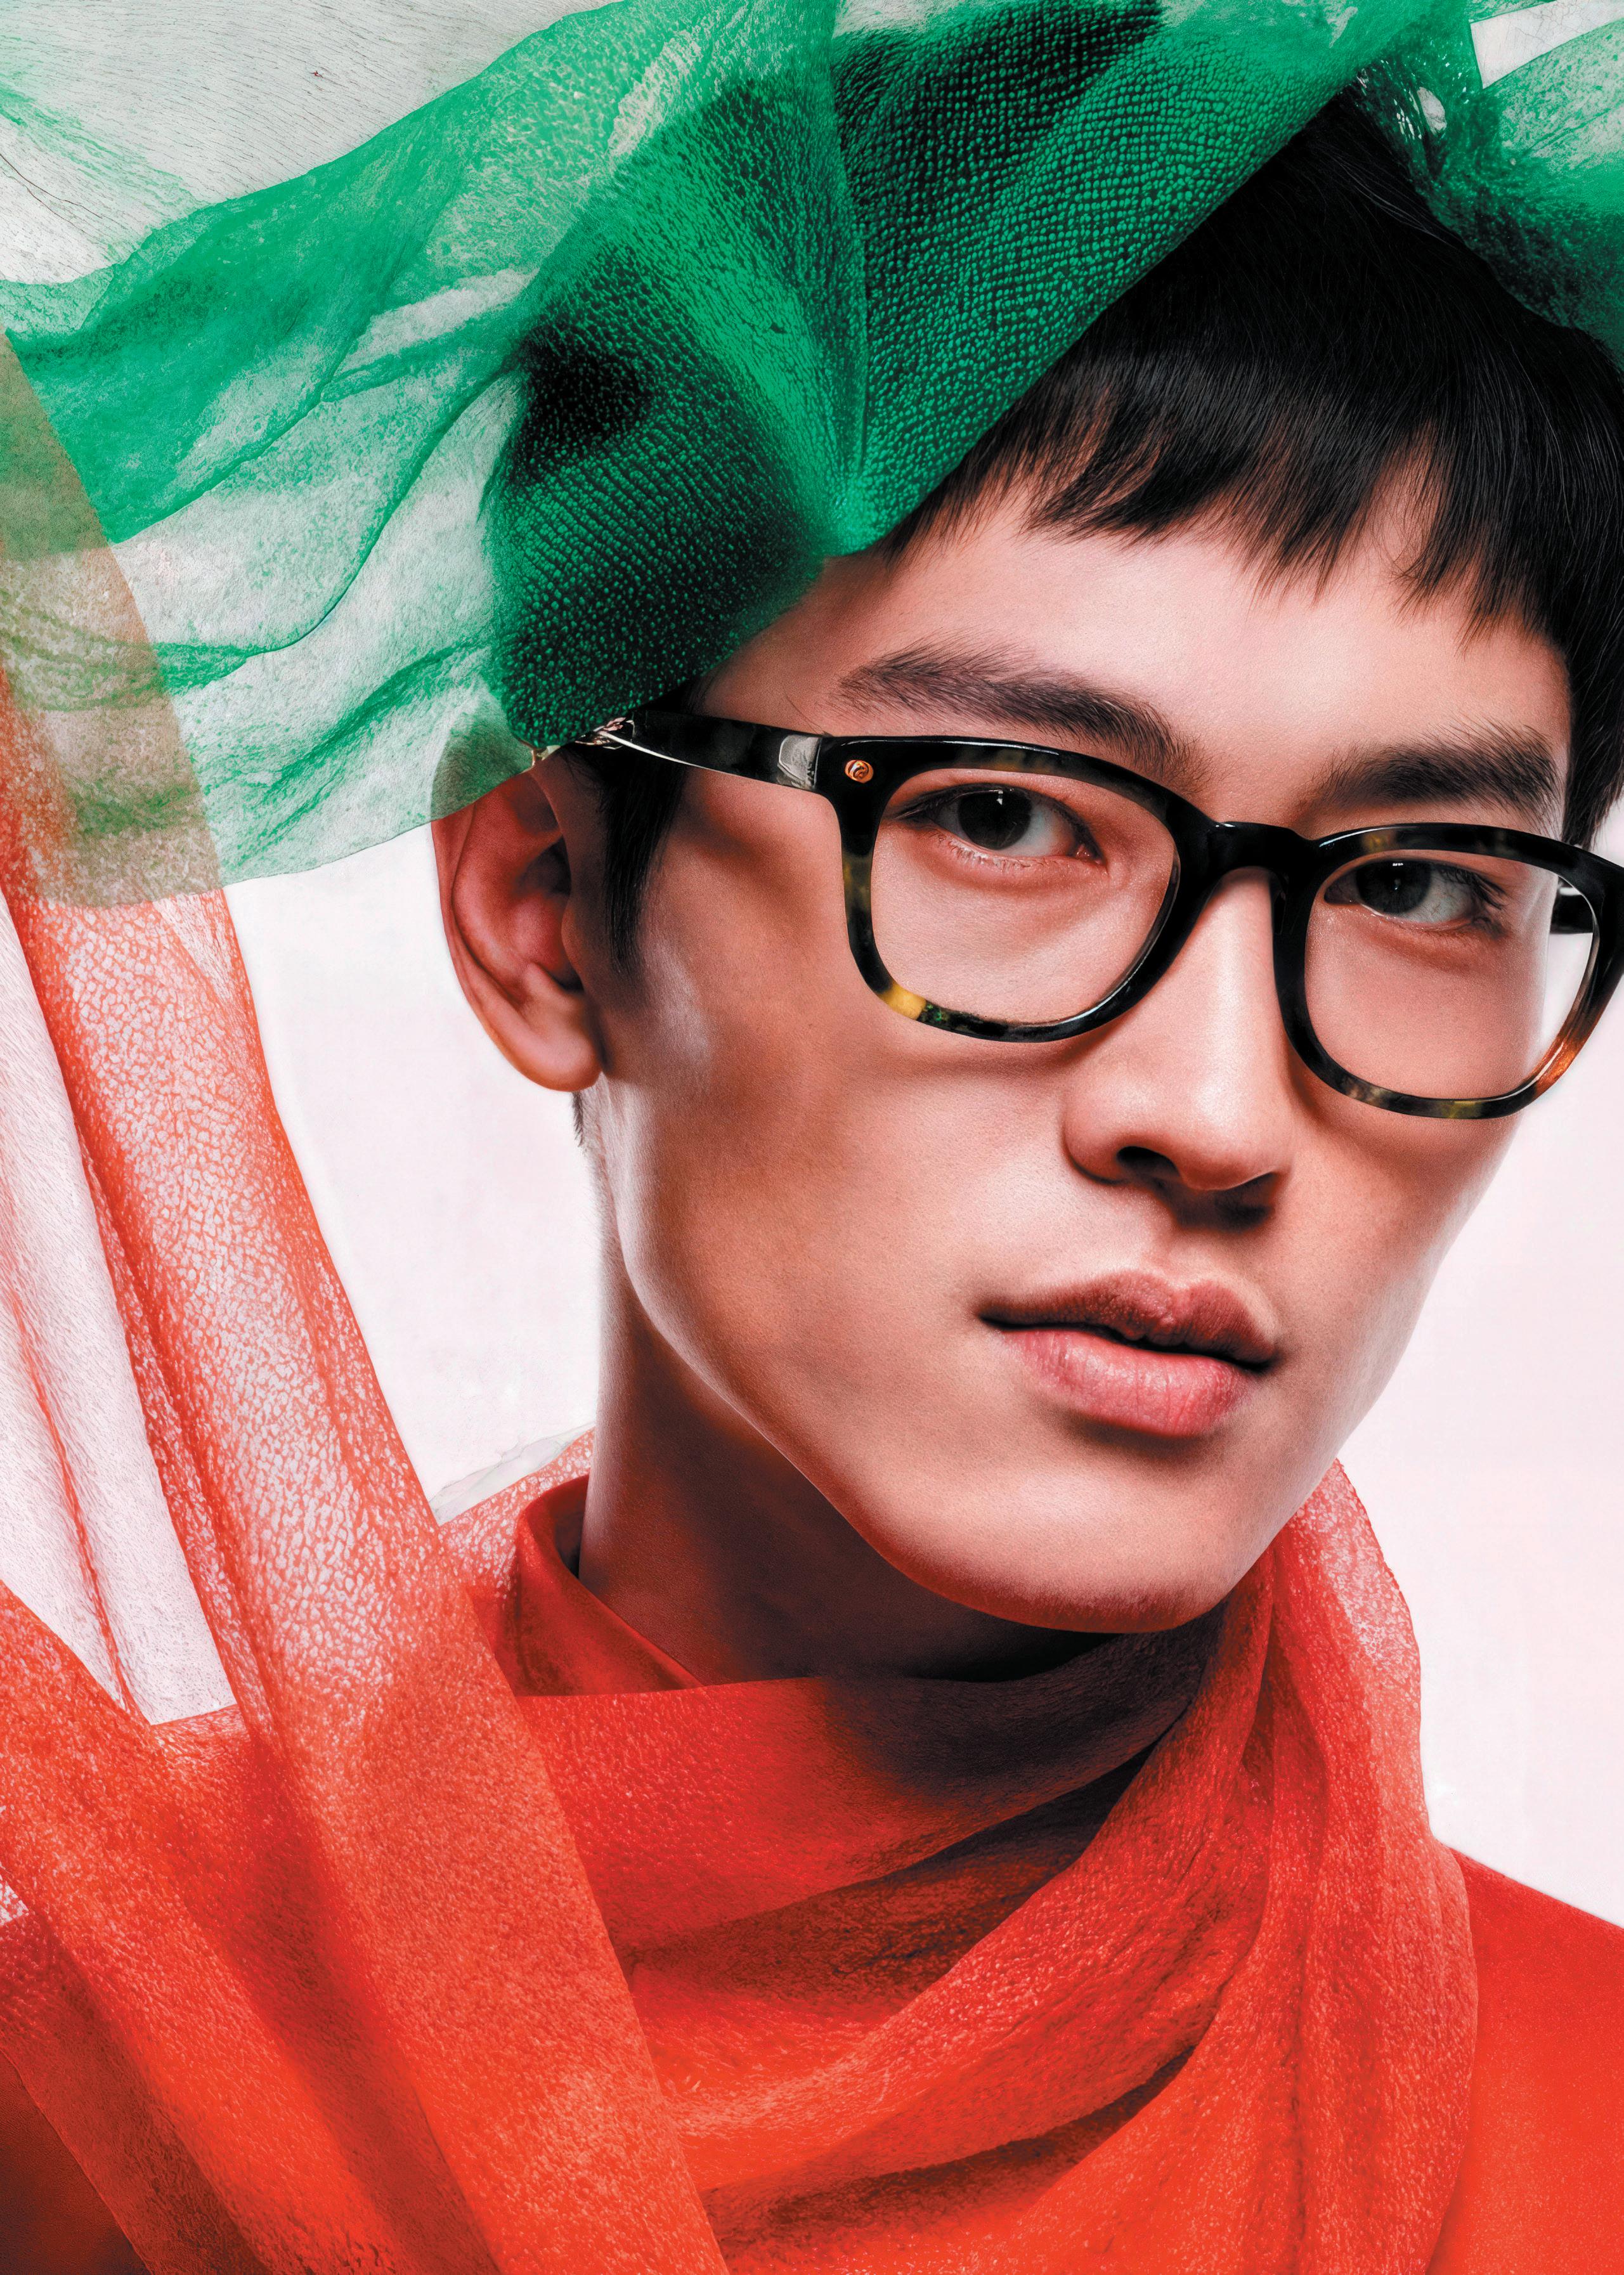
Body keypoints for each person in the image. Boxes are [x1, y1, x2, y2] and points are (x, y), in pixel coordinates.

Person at [4, 82, 1623, 2275]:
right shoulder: (77, 2127)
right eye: (1001, 815)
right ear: (546, 908)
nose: (1219, 1108)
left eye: (1421, 879)